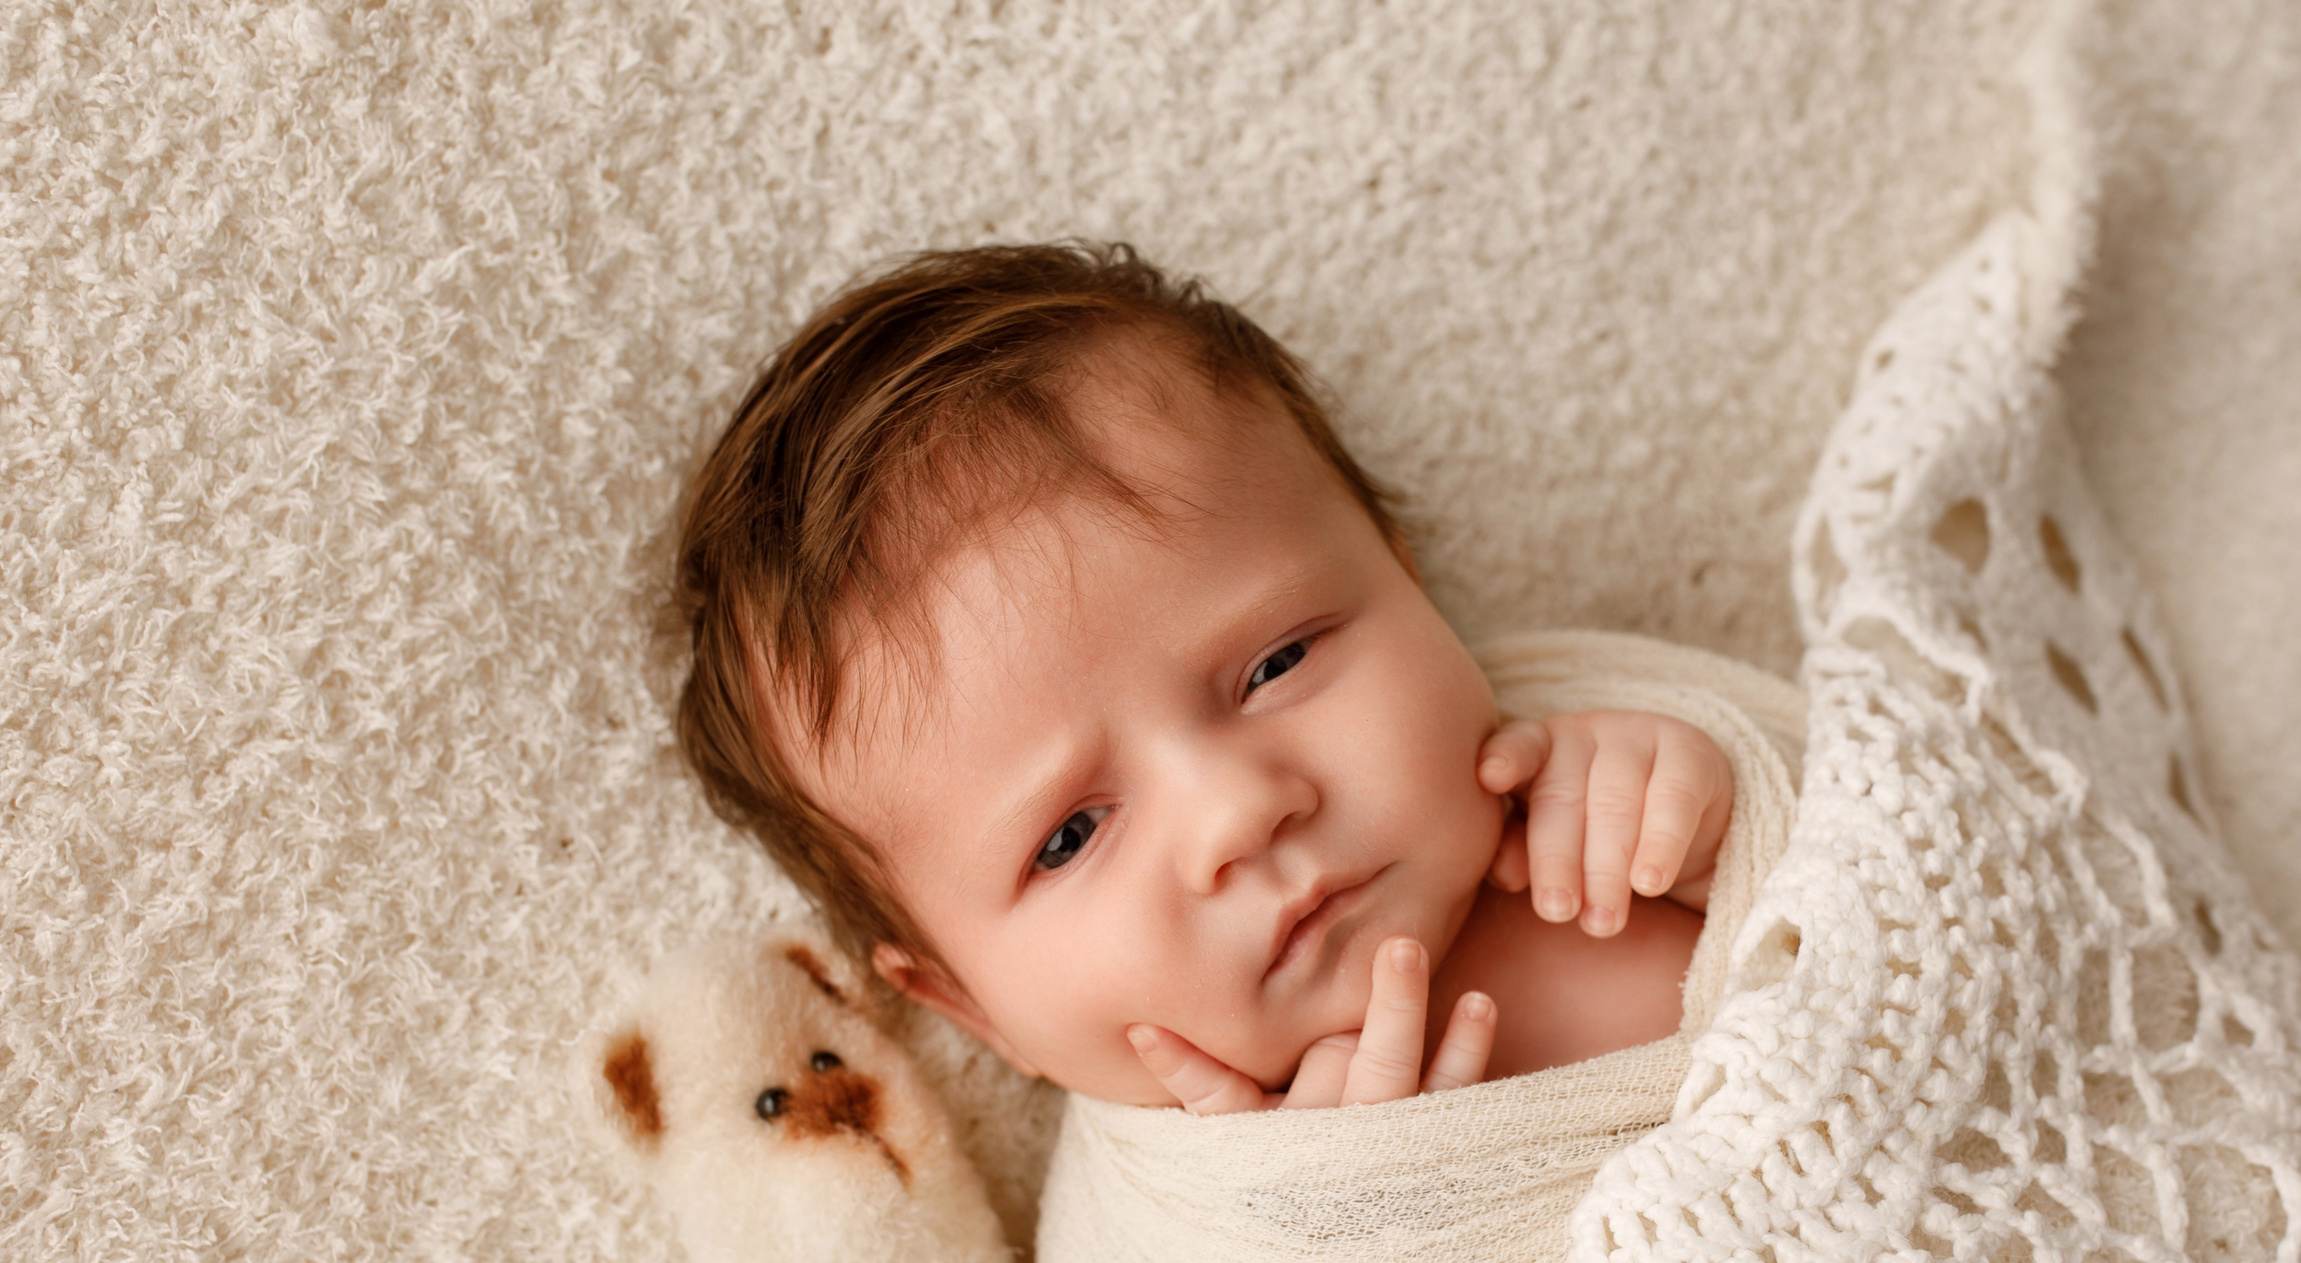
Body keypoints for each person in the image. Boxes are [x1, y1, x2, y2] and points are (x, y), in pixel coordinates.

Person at [672, 241, 1740, 1113]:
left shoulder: (1592, 763)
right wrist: (1349, 1237)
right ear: (968, 1005)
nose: (1236, 812)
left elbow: (1842, 848)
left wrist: (1719, 828)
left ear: (1404, 575)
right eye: (1069, 836)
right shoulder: (1175, 1228)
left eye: (1276, 664)